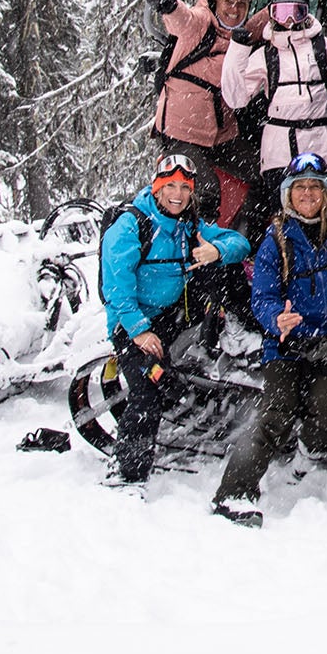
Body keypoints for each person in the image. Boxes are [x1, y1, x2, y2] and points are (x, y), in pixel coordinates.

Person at [209, 153, 327, 527]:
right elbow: (261, 296)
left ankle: (307, 459)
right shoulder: (276, 241)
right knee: (275, 414)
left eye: (314, 187)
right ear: (287, 195)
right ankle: (234, 494)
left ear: (325, 194)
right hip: (286, 346)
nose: (307, 194)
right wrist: (276, 319)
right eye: (300, 188)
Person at [98, 151, 254, 488]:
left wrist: (216, 251)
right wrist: (139, 332)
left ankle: (231, 339)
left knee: (222, 270)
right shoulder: (130, 226)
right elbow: (116, 289)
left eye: (185, 187)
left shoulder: (189, 224)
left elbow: (240, 243)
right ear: (156, 188)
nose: (178, 194)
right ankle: (127, 474)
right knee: (147, 392)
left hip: (172, 315)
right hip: (132, 321)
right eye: (170, 186)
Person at [222, 0, 327, 231]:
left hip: (322, 141)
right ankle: (285, 259)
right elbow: (236, 97)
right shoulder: (267, 54)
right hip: (280, 147)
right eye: (280, 13)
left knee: (324, 211)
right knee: (283, 213)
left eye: (296, 13)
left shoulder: (323, 47)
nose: (288, 21)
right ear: (272, 15)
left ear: (306, 13)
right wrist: (237, 51)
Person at [148, 0, 263, 220]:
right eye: (228, 2)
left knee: (264, 171)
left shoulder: (241, 36)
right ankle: (198, 245)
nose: (235, 9)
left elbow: (274, 12)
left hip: (221, 137)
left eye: (242, 4)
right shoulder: (200, 24)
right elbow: (183, 20)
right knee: (205, 188)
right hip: (183, 134)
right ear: (214, 2)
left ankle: (248, 237)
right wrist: (170, 6)